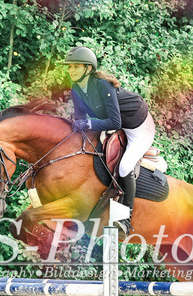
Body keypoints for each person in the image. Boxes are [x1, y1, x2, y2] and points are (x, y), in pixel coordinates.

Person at [61, 46, 156, 235]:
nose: (71, 70)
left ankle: (125, 220)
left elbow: (115, 121)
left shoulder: (102, 85)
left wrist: (88, 123)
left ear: (88, 68)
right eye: (70, 67)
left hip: (138, 126)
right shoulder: (76, 89)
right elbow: (81, 120)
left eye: (76, 66)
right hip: (116, 126)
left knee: (125, 167)